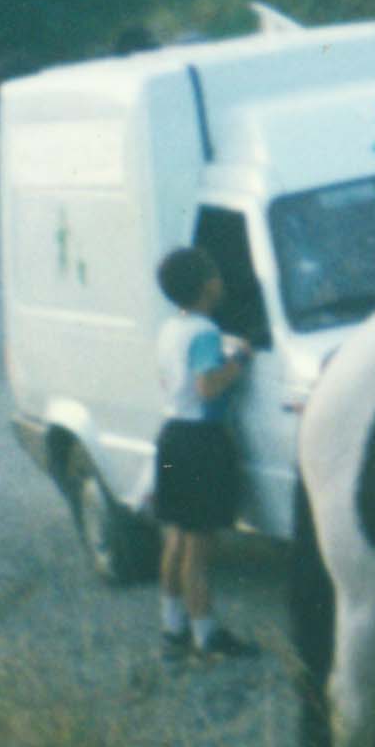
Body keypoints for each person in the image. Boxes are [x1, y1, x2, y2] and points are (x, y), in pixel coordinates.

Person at [150, 248, 257, 663]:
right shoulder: (206, 332)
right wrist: (241, 359)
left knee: (176, 536)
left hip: (172, 434)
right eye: (214, 271)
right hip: (200, 440)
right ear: (208, 285)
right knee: (199, 545)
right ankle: (206, 637)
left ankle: (172, 627)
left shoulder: (170, 329)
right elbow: (208, 387)